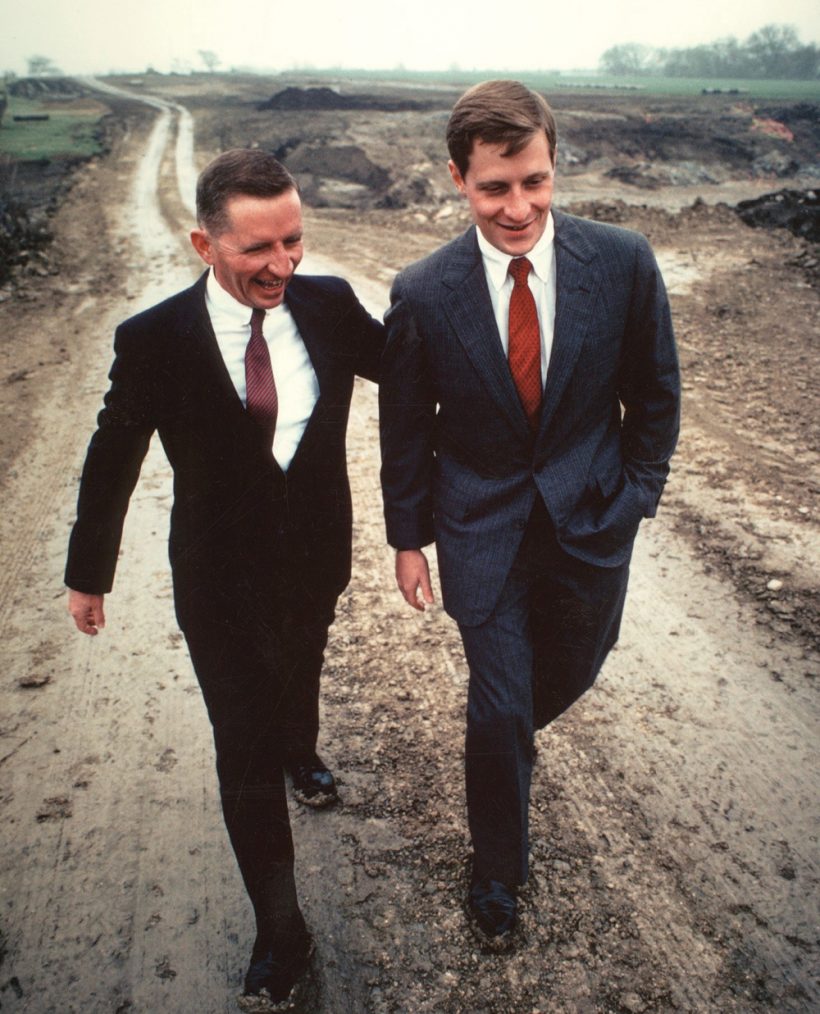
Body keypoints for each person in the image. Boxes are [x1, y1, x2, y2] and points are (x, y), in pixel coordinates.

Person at [66, 148, 384, 1008]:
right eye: (257, 250)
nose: (282, 265)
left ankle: (304, 750)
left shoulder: (328, 304)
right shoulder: (154, 339)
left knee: (304, 671)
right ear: (205, 244)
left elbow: (417, 372)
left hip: (317, 553)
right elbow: (112, 456)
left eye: (294, 241)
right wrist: (87, 572)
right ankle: (282, 933)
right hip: (217, 578)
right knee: (241, 743)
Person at [379, 80, 680, 951]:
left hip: (592, 520)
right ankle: (496, 871)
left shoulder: (623, 262)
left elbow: (655, 392)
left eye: (535, 182)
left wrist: (637, 495)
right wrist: (408, 539)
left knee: (574, 670)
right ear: (457, 179)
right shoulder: (425, 291)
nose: (518, 207)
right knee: (500, 704)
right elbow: (406, 431)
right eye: (494, 188)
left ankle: (499, 751)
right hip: (481, 530)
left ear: (555, 166)